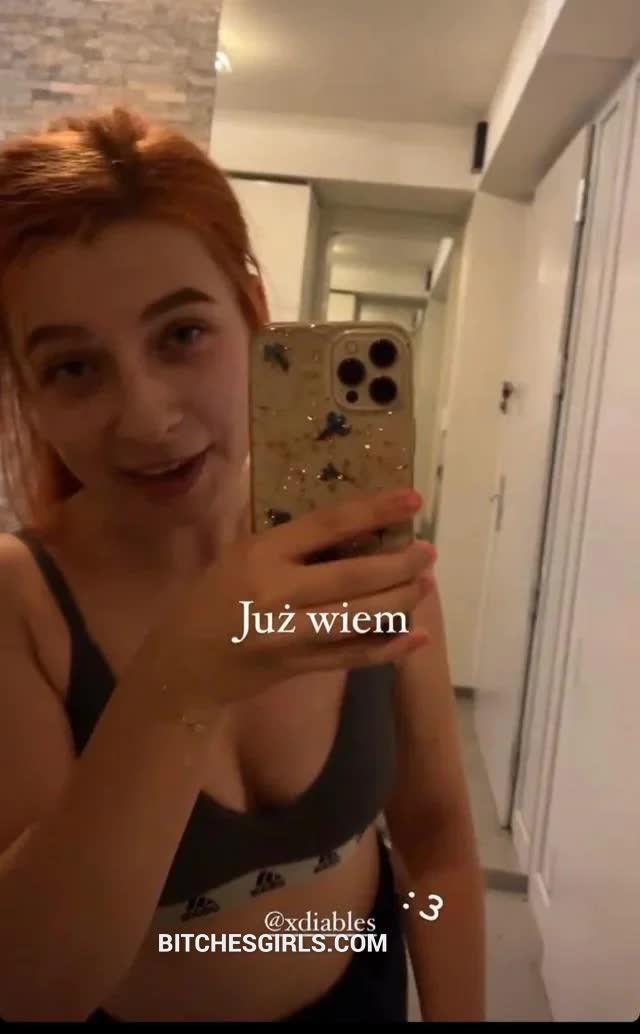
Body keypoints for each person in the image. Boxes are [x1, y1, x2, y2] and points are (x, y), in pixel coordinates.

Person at [0, 107, 485, 1023]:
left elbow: (435, 844)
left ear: (254, 315)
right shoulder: (21, 602)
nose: (147, 417)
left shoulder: (359, 546)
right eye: (73, 368)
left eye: (182, 335)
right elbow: (30, 987)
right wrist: (181, 684)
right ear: (29, 390)